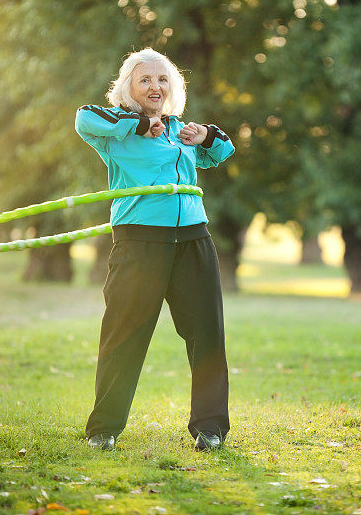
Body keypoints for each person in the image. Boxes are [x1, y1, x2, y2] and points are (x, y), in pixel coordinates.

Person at [74, 48, 234, 451]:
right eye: (144, 79)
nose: (155, 86)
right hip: (140, 243)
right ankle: (104, 429)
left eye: (162, 79)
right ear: (128, 89)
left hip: (194, 241)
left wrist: (205, 136)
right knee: (123, 335)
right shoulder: (118, 130)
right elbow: (84, 117)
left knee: (208, 336)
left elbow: (223, 152)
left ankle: (210, 428)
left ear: (173, 87)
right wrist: (138, 124)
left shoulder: (180, 131)